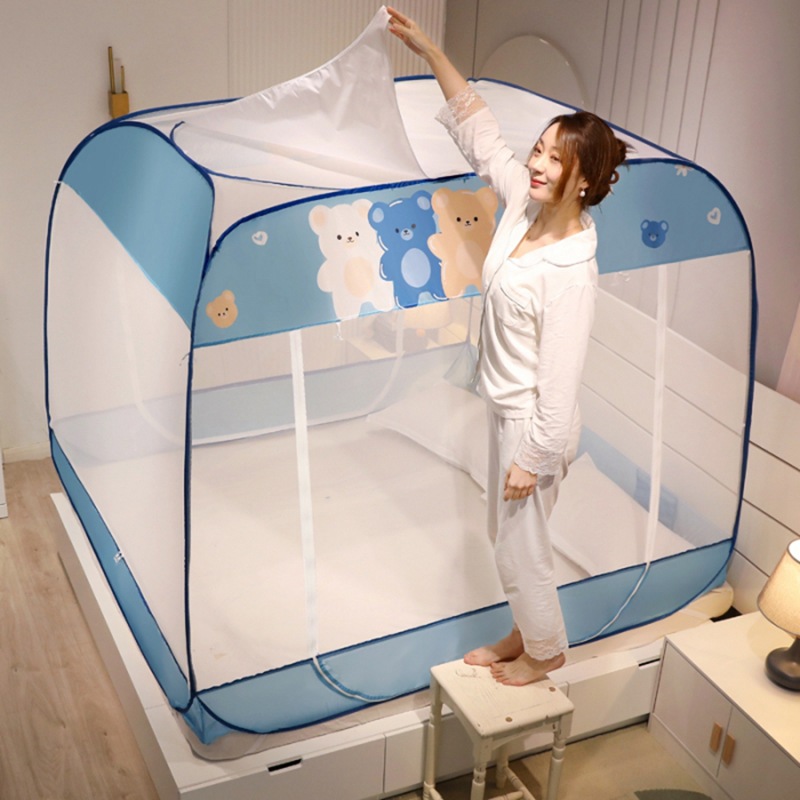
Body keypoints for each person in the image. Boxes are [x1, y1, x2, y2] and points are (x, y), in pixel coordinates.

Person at [387, 7, 630, 685]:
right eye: (539, 149)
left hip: (534, 424)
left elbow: (561, 380)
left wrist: (532, 457)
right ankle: (524, 634)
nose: (536, 163)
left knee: (520, 549)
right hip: (507, 409)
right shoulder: (524, 206)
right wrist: (431, 52)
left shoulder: (571, 272)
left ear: (584, 180)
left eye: (555, 158)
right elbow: (479, 131)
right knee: (510, 538)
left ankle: (546, 652)